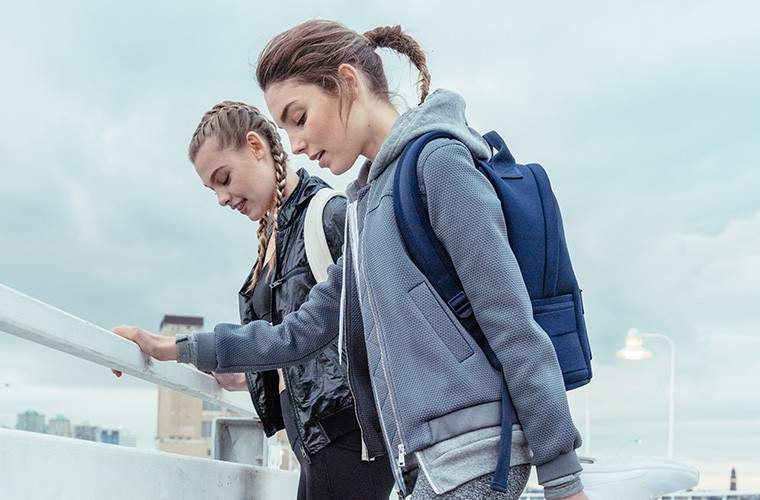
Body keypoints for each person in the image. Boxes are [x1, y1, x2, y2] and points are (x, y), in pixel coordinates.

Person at [114, 20, 589, 500]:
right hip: (426, 464)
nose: (295, 144)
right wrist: (176, 348)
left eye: (298, 118)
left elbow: (513, 326)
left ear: (347, 82)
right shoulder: (365, 209)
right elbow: (300, 333)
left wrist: (563, 479)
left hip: (477, 455)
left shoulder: (437, 164)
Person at [116, 100, 394, 500]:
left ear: (256, 146)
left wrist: (171, 347)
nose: (222, 198)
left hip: (348, 439)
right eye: (212, 189)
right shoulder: (275, 236)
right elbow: (302, 353)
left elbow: (315, 335)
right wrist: (245, 376)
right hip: (317, 443)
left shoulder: (329, 215)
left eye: (224, 178)